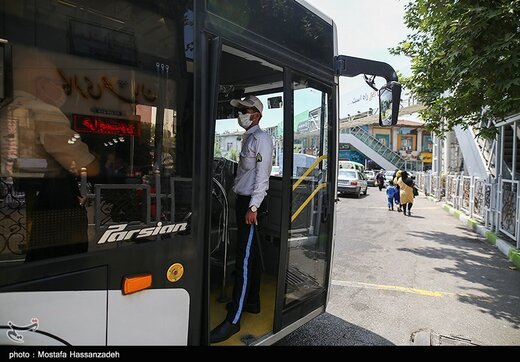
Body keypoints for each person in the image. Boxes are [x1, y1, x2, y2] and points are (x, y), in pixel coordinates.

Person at [1, 46, 99, 261]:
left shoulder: (7, 108)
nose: (63, 90)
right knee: (58, 262)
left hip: (27, 198)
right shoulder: (43, 111)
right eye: (60, 84)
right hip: (55, 211)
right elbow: (87, 164)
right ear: (42, 84)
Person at [210, 95, 273, 343]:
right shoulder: (248, 137)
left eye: (245, 110)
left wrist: (254, 206)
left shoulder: (262, 139)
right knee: (252, 256)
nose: (241, 115)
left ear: (256, 114)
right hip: (244, 202)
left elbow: (262, 177)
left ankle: (233, 321)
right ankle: (253, 302)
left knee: (244, 261)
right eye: (241, 111)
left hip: (251, 205)